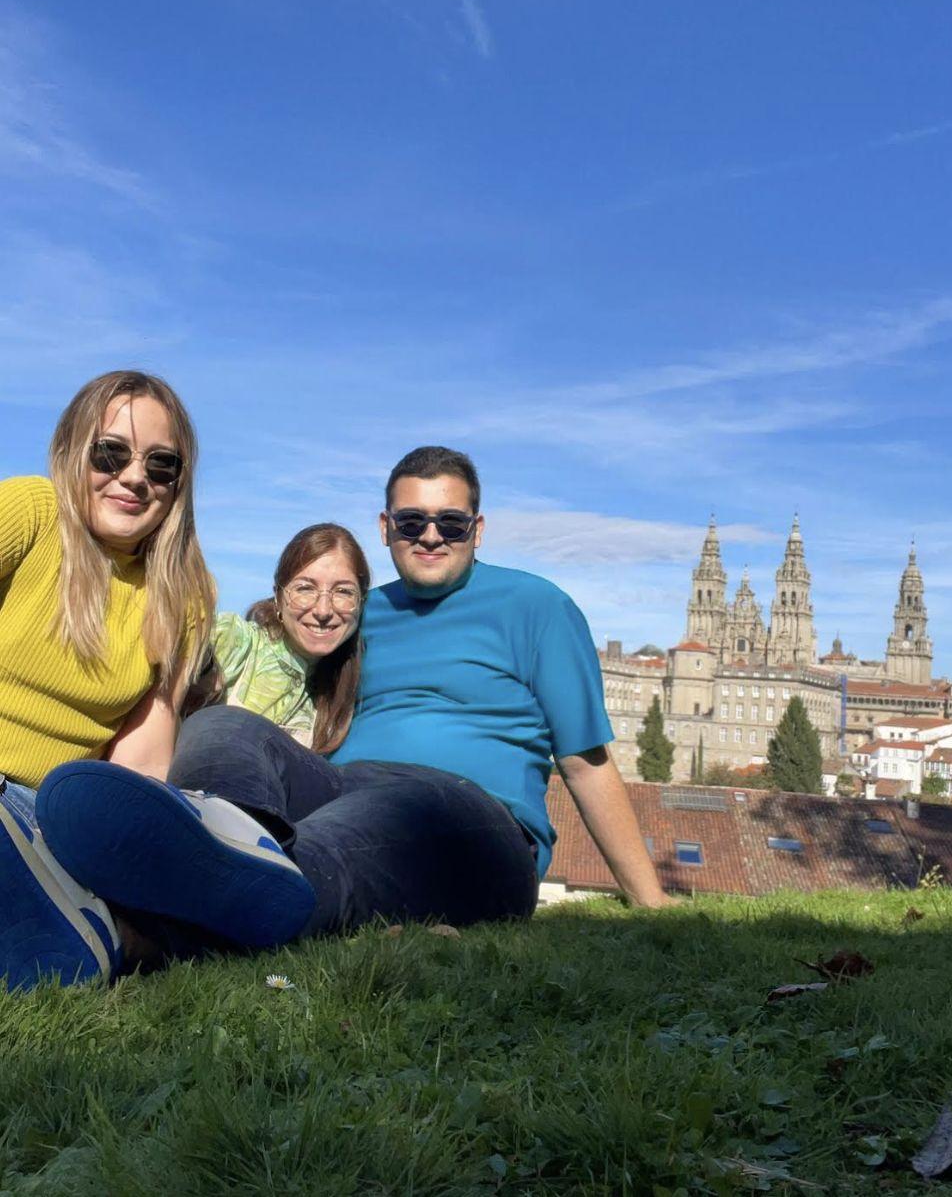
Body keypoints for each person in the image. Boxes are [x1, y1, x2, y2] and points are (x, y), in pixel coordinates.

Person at [1, 446, 667, 991]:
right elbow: (269, 648)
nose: (430, 536)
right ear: (385, 529)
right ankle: (222, 847)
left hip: (468, 819)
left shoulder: (536, 607)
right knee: (227, 731)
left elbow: (586, 761)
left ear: (478, 529)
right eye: (411, 523)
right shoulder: (355, 613)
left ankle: (122, 931)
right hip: (341, 786)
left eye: (451, 524)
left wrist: (650, 904)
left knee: (348, 839)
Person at [0, 369, 215, 813]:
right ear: (71, 452)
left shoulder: (186, 594)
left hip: (49, 813)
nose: (136, 477)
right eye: (110, 453)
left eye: (161, 464)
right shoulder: (31, 512)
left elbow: (144, 750)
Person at [203, 523, 369, 748]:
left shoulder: (345, 691)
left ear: (361, 602)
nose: (323, 610)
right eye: (305, 589)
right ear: (278, 597)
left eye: (343, 592)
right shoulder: (233, 642)